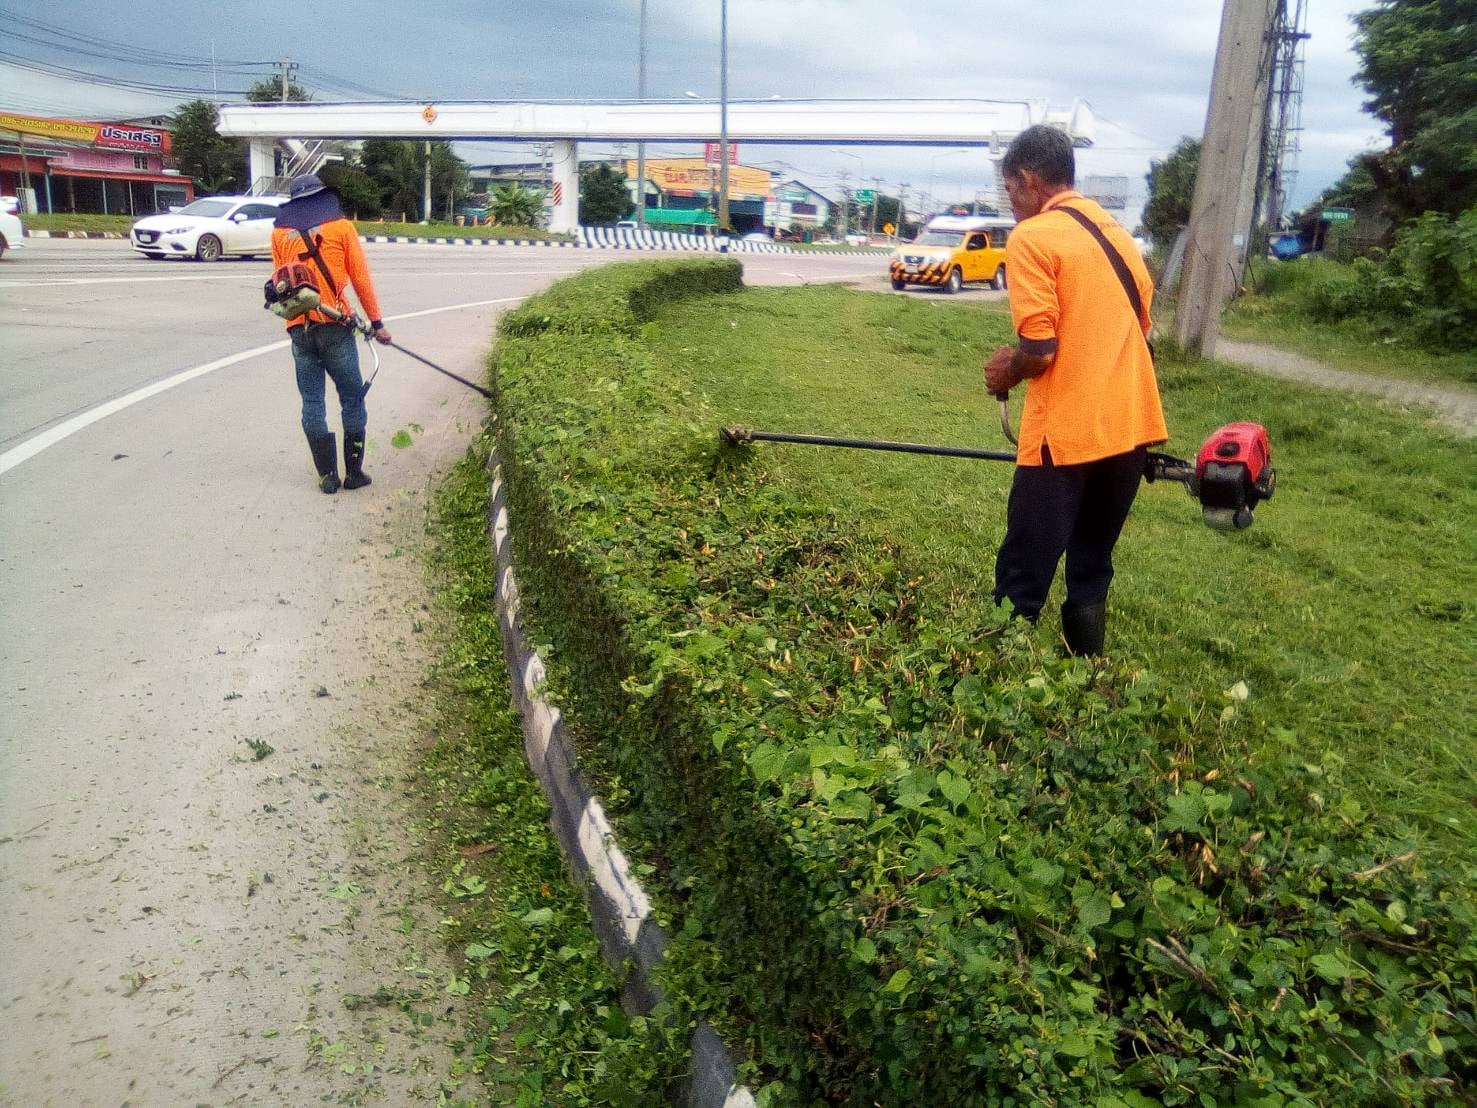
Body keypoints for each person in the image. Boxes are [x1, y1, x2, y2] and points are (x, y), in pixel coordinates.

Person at [982, 125, 1167, 656]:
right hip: (1130, 429)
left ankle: (992, 676)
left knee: (1024, 567)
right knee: (1092, 562)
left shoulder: (1033, 237)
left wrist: (1008, 371)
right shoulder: (1117, 234)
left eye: (1009, 189)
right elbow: (1138, 326)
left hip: (1064, 437)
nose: (1011, 202)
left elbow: (1040, 350)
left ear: (1028, 179)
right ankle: (1084, 672)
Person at [270, 174, 393, 494]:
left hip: (299, 329)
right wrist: (377, 323)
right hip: (335, 327)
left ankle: (327, 477)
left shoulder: (280, 232)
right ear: (323, 196)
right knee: (352, 399)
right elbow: (360, 278)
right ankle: (354, 474)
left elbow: (280, 281)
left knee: (312, 402)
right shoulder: (341, 227)